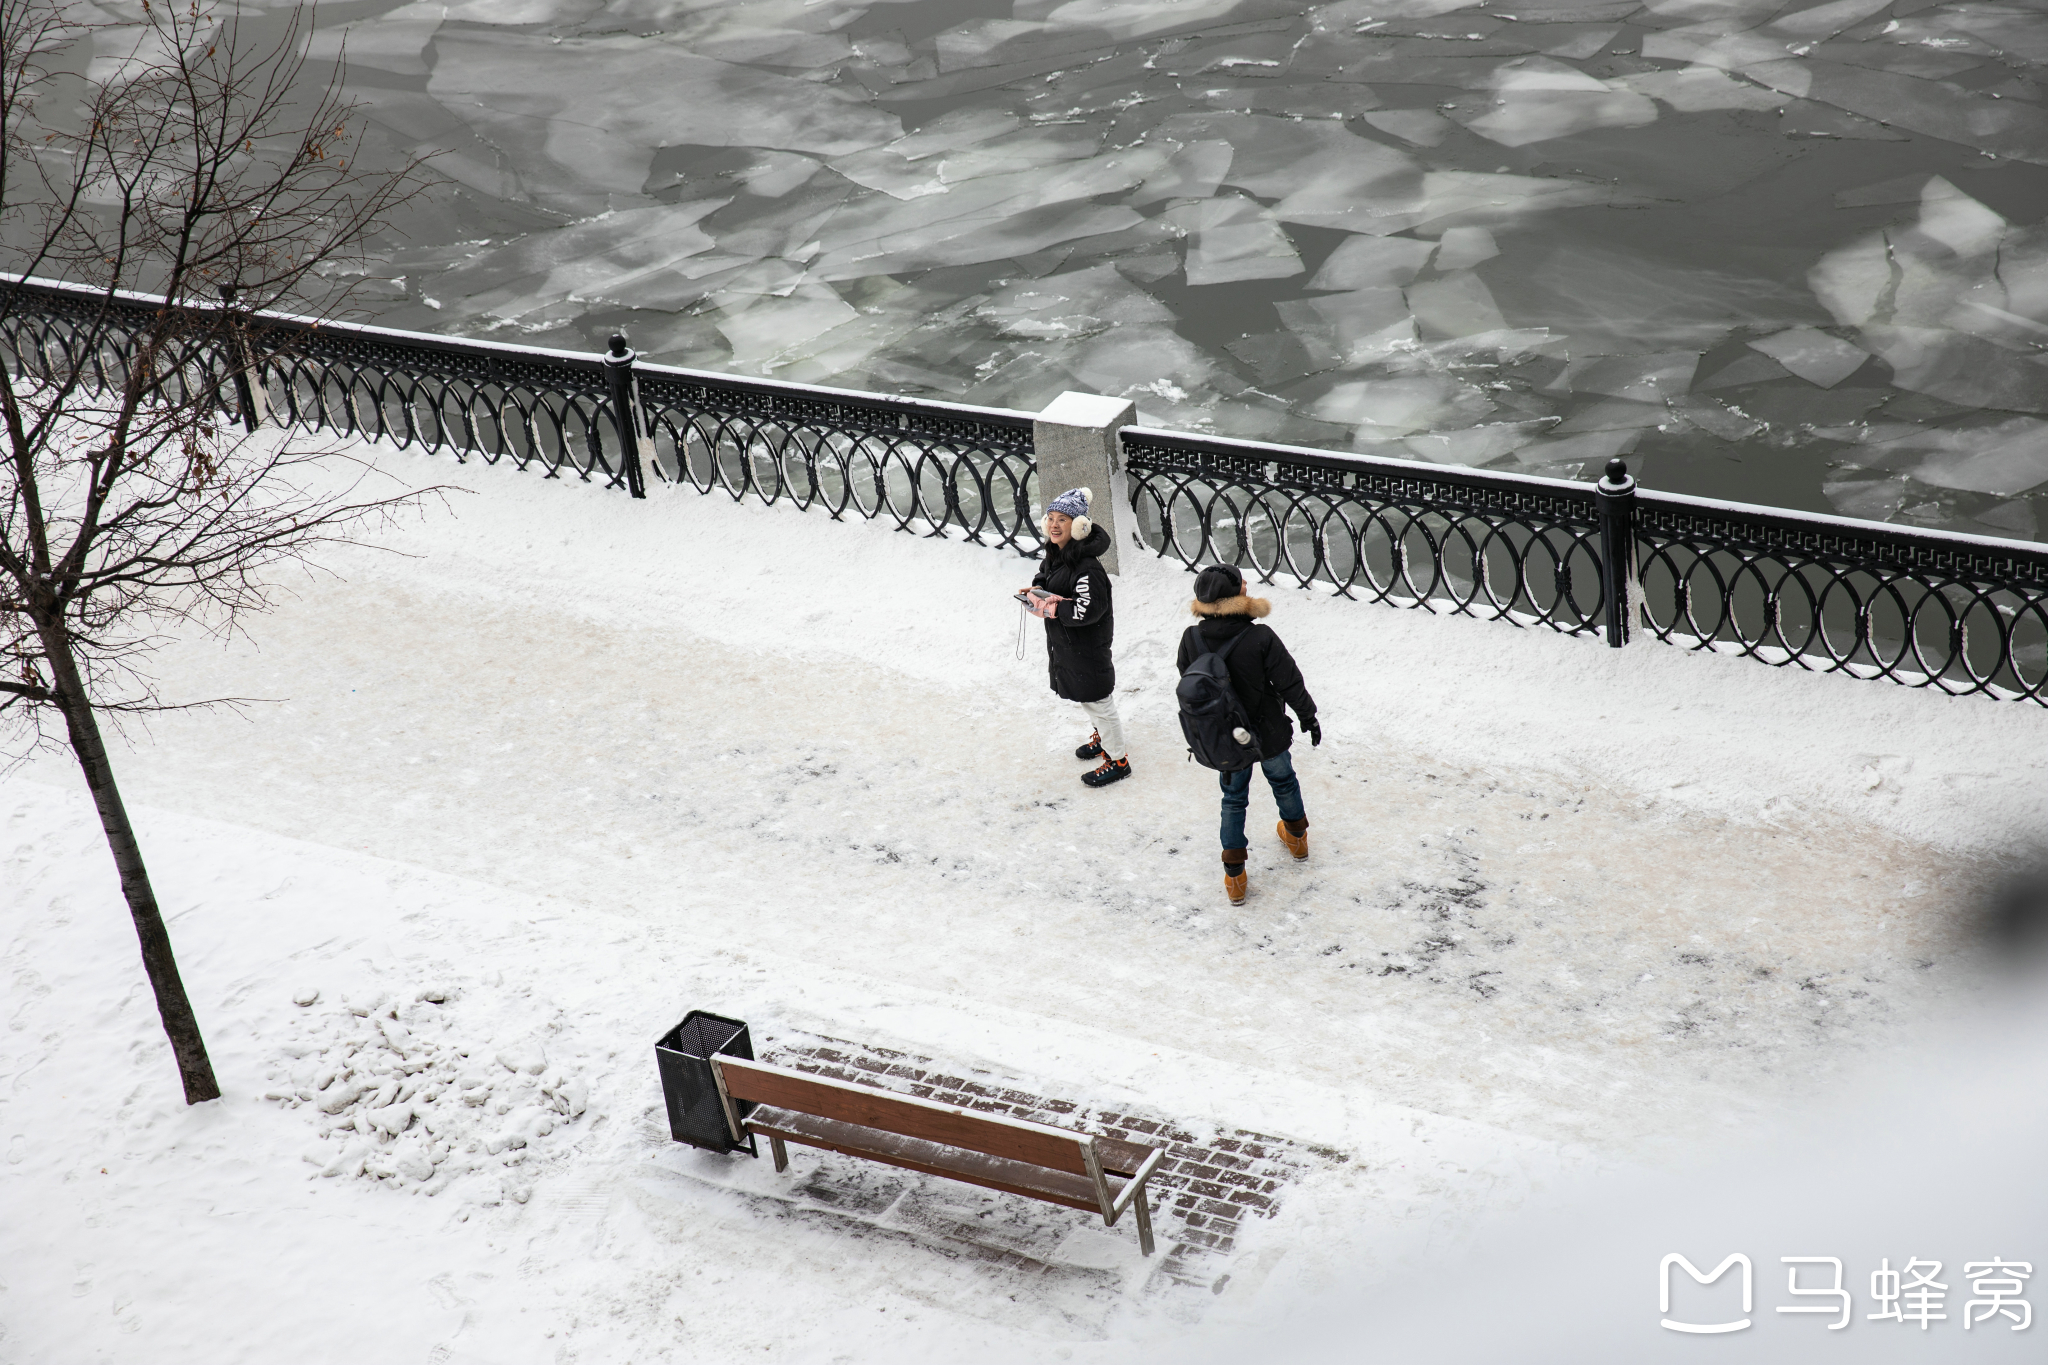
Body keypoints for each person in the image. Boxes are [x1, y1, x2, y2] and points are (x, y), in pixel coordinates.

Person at [1176, 564, 1319, 904]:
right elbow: (1289, 680)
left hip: (1227, 737)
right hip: (1268, 732)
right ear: (1238, 593)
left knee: (1234, 799)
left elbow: (1190, 680)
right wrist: (1307, 716)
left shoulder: (1191, 638)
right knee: (1283, 781)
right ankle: (1297, 838)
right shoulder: (1260, 636)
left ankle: (1235, 877)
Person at [1022, 487, 1131, 787]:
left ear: (1080, 526)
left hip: (1087, 648)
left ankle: (1118, 760)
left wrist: (1051, 607)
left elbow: (1088, 610)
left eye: (1064, 520)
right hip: (1070, 647)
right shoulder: (1058, 555)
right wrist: (1036, 592)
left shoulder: (1087, 568)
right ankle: (1105, 740)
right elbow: (1044, 576)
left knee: (1099, 701)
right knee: (1089, 699)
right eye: (1052, 519)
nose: (1055, 525)